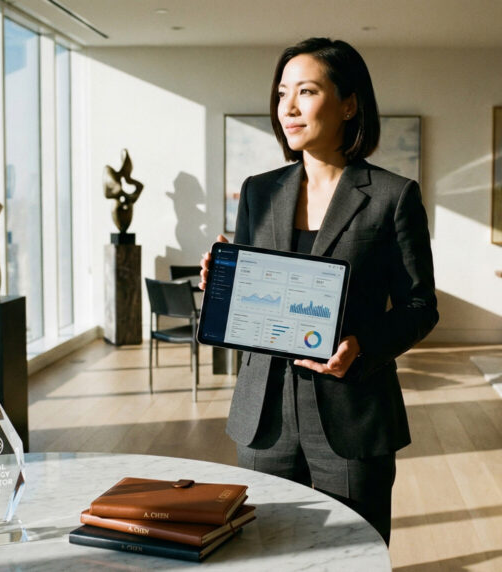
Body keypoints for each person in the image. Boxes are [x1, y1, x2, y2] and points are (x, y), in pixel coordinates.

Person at [199, 38, 438, 544]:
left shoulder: (393, 197)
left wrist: (363, 346)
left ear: (349, 103)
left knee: (357, 553)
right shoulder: (258, 191)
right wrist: (221, 282)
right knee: (265, 552)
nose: (288, 107)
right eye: (283, 92)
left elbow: (420, 306)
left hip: (354, 415)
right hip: (265, 416)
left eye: (306, 91)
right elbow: (250, 298)